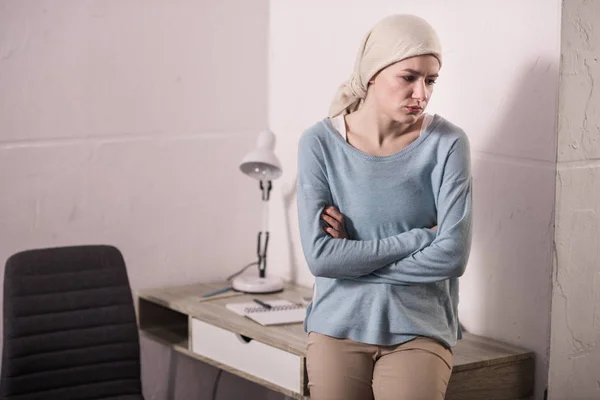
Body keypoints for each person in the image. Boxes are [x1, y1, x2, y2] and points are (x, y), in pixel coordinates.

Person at [296, 14, 473, 400]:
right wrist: (418, 238)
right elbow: (323, 259)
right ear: (374, 72)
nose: (421, 94)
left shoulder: (448, 144)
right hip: (336, 325)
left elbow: (452, 257)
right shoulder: (319, 144)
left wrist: (353, 263)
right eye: (409, 77)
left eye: (430, 80)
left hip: (420, 327)